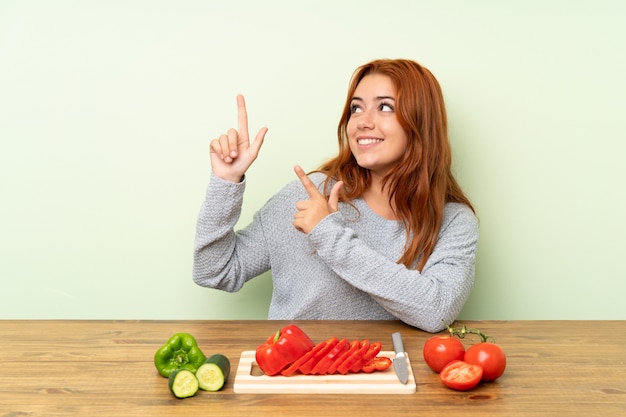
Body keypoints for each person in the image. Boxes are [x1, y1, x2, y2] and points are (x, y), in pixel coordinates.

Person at [193, 58, 478, 333]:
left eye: (385, 107)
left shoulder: (453, 220)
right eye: (356, 108)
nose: (362, 122)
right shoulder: (308, 195)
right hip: (293, 374)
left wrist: (328, 234)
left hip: (385, 376)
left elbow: (436, 310)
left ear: (421, 122)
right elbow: (214, 271)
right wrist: (225, 182)